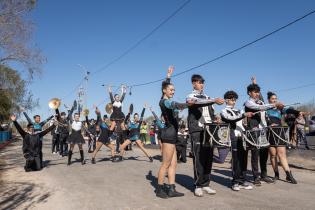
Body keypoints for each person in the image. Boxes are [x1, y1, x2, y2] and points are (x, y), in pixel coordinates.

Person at [156, 66, 193, 199]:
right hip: (168, 135)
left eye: (174, 90)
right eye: (171, 89)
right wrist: (187, 104)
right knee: (165, 164)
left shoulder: (167, 99)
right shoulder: (164, 101)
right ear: (164, 91)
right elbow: (174, 105)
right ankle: (159, 189)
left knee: (173, 164)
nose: (173, 91)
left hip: (173, 134)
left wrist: (168, 76)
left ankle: (171, 188)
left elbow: (175, 106)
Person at [186, 74, 224, 197]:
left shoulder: (207, 97)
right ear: (193, 84)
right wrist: (213, 100)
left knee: (208, 157)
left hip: (209, 129)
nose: (201, 84)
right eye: (199, 82)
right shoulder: (191, 95)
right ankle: (197, 185)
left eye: (203, 82)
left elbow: (211, 110)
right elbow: (196, 102)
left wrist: (216, 118)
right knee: (198, 157)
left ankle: (206, 184)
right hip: (197, 129)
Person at [244, 78, 284, 186]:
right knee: (255, 155)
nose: (257, 94)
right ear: (249, 93)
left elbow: (264, 115)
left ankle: (264, 175)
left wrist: (270, 124)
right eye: (255, 92)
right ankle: (256, 177)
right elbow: (259, 107)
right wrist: (274, 104)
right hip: (254, 132)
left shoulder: (261, 101)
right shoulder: (248, 103)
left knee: (264, 154)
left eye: (258, 92)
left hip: (264, 131)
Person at [266, 91, 303, 184]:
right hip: (270, 132)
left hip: (279, 131)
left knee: (281, 154)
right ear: (268, 100)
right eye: (272, 99)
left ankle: (288, 174)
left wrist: (298, 112)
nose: (274, 100)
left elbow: (289, 110)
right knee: (273, 155)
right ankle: (276, 175)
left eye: (275, 99)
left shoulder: (280, 109)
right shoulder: (265, 108)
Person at [220, 90, 254, 191]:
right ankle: (235, 182)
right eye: (231, 99)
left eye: (235, 99)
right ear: (226, 100)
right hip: (233, 137)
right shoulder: (224, 111)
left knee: (243, 160)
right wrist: (244, 115)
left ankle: (242, 180)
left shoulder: (239, 111)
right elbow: (231, 119)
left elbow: (241, 123)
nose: (234, 101)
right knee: (236, 160)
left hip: (242, 137)